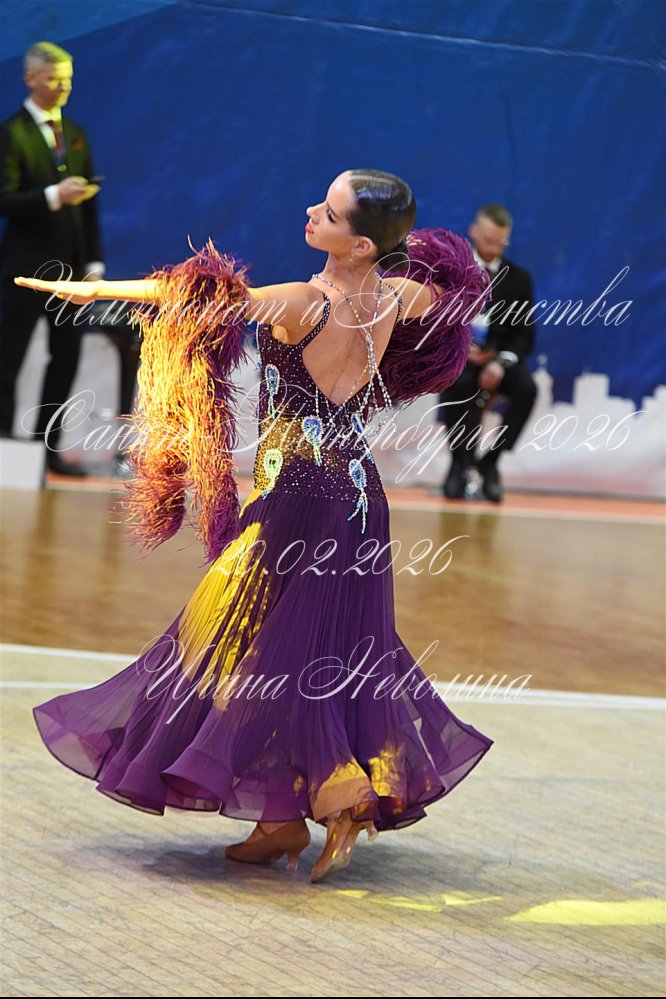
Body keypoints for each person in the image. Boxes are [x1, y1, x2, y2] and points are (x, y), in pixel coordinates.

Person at [16, 168, 494, 884]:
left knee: (225, 643)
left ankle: (337, 797)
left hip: (298, 498)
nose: (311, 210)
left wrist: (97, 292)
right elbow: (456, 295)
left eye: (329, 211)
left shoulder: (306, 301)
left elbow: (204, 298)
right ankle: (281, 820)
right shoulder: (398, 295)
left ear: (361, 244)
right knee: (316, 655)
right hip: (360, 498)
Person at [0, 41, 104, 476]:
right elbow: (5, 199)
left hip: (71, 273)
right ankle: (5, 447)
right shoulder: (11, 133)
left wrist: (93, 264)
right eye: (54, 78)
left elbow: (90, 208)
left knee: (65, 361)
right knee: (8, 359)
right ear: (30, 78)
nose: (63, 86)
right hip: (24, 269)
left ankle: (48, 448)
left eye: (68, 79)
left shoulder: (75, 133)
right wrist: (52, 196)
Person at [438, 203, 537, 502]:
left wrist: (499, 362)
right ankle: (460, 462)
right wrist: (460, 349)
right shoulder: (454, 272)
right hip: (460, 357)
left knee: (527, 389)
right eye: (489, 240)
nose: (494, 248)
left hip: (498, 358)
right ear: (474, 232)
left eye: (500, 242)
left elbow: (525, 336)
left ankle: (491, 462)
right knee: (457, 383)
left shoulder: (519, 279)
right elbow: (436, 322)